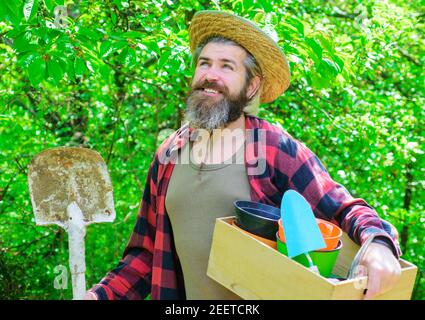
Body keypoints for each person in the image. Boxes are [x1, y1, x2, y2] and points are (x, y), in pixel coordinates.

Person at [85, 10, 401, 300]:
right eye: (204, 63)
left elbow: (343, 207)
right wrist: (99, 296)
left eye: (227, 67)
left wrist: (379, 245)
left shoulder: (274, 147)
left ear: (252, 86)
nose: (211, 75)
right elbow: (146, 254)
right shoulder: (168, 154)